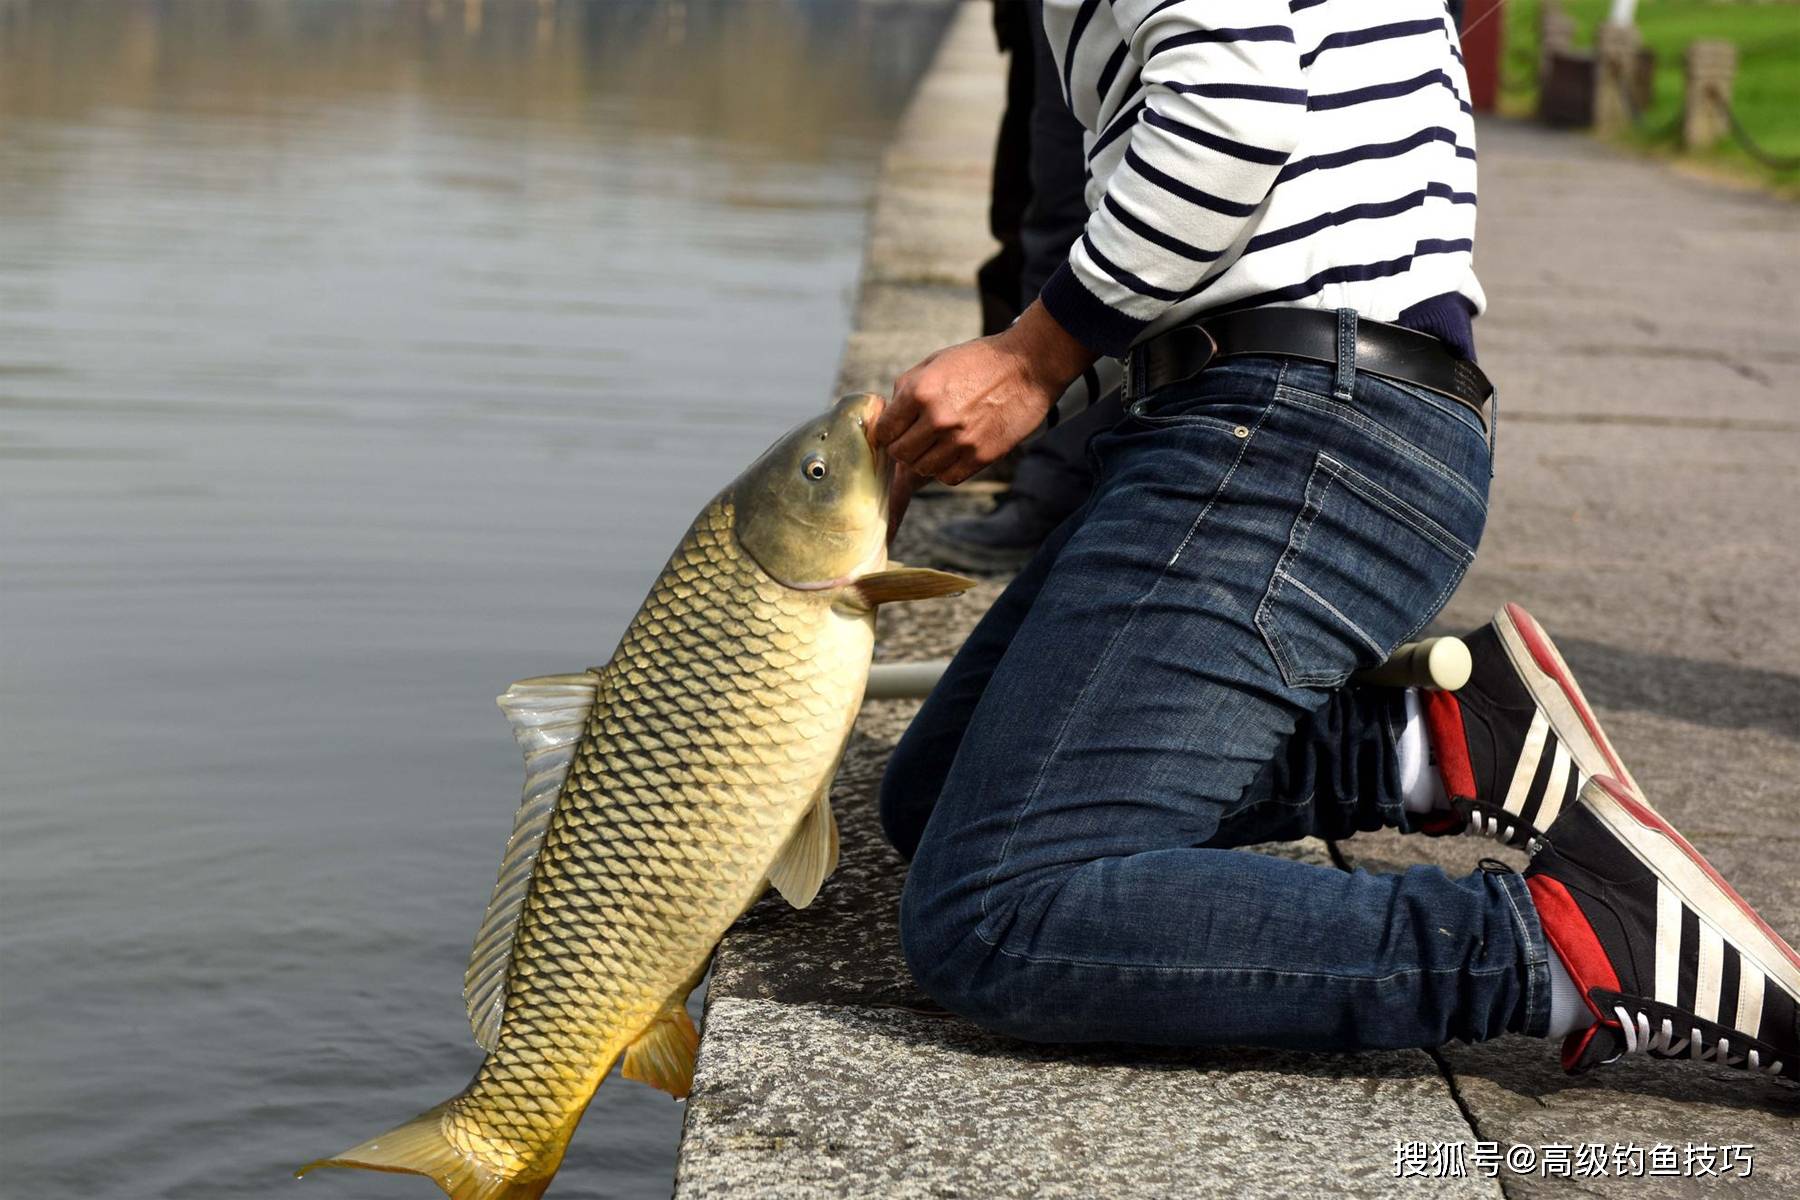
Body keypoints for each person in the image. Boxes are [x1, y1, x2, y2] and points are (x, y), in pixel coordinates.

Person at [871, 1, 1797, 1081]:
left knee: (993, 911)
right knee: (938, 798)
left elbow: (1233, 105)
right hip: (1324, 411)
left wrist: (1031, 359)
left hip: (1295, 429)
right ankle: (1429, 741)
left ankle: (1574, 946)